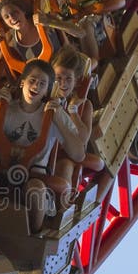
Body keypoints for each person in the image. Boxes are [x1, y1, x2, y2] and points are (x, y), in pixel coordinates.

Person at [0, 59, 84, 232]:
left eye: (42, 83)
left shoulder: (53, 114)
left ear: (46, 91)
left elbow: (78, 154)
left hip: (35, 176)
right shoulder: (8, 109)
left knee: (36, 191)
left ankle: (33, 235)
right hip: (1, 171)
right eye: (32, 80)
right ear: (22, 82)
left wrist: (58, 117)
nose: (36, 86)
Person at [50, 44, 104, 181]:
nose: (63, 84)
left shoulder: (84, 106)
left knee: (66, 167)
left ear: (76, 81)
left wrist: (73, 110)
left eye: (68, 79)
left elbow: (83, 139)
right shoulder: (45, 96)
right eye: (58, 78)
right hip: (44, 150)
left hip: (65, 155)